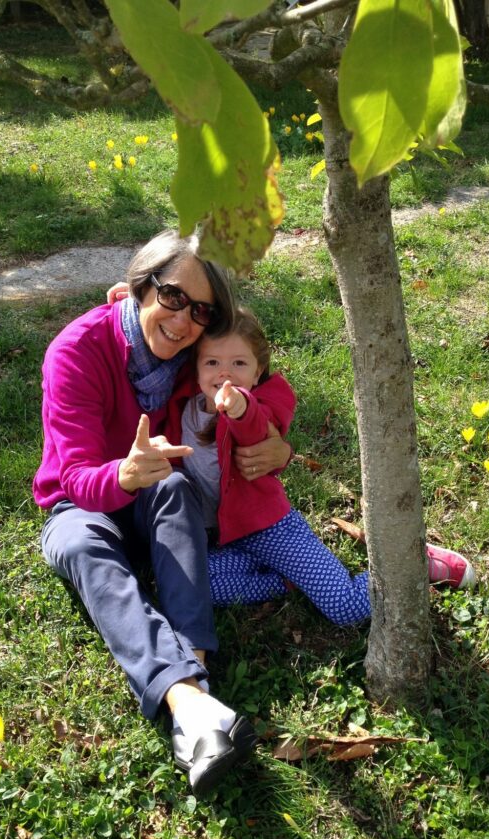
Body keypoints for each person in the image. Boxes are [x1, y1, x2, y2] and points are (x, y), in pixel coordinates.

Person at [33, 232, 291, 798]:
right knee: (79, 545)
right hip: (82, 503)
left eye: (201, 311)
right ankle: (191, 703)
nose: (184, 322)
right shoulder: (76, 351)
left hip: (158, 493)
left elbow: (261, 386)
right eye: (173, 298)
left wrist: (281, 445)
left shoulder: (189, 354)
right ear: (136, 288)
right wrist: (124, 474)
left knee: (171, 486)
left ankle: (192, 693)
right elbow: (73, 477)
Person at [165, 308, 475, 625]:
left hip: (270, 529)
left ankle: (411, 565)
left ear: (258, 373)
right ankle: (289, 578)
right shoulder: (183, 407)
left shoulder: (253, 408)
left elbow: (257, 430)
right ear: (196, 367)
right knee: (193, 585)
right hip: (224, 537)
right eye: (212, 362)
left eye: (239, 363)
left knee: (346, 609)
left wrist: (241, 407)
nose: (224, 373)